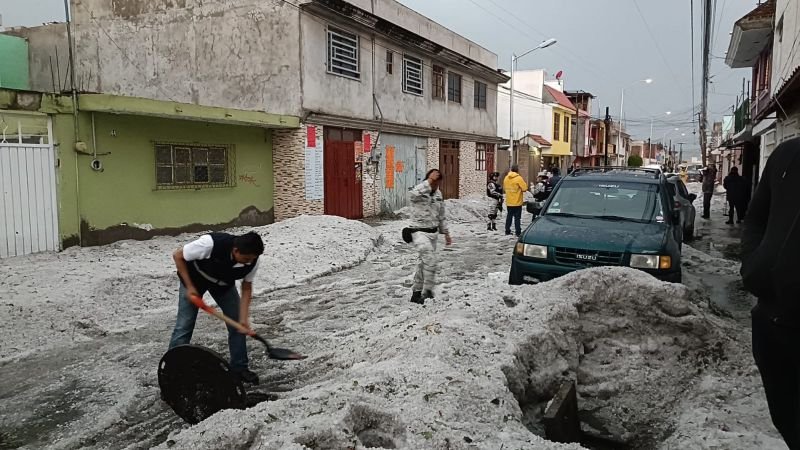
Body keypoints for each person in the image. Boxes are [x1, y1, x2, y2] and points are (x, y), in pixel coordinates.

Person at [741, 137, 800, 449]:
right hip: (773, 322)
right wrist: (755, 264)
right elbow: (755, 218)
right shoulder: (787, 155)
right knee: (785, 417)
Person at [169, 231, 265, 384]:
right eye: (246, 259)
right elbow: (177, 255)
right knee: (184, 325)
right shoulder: (209, 244)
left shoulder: (253, 260)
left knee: (237, 325)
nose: (248, 263)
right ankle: (173, 370)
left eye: (251, 259)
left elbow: (246, 287)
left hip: (223, 285)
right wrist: (190, 287)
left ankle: (240, 368)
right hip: (194, 281)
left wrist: (244, 317)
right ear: (235, 251)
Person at [408, 169, 452, 305]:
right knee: (430, 261)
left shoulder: (438, 195)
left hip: (433, 233)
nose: (435, 185)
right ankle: (427, 292)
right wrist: (429, 182)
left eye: (437, 182)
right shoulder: (419, 191)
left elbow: (441, 215)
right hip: (418, 231)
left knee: (423, 264)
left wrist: (446, 232)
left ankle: (416, 293)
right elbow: (412, 195)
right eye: (433, 181)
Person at [503, 165, 529, 236]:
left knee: (509, 217)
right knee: (517, 218)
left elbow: (504, 188)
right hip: (517, 202)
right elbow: (524, 188)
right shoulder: (518, 178)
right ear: (517, 170)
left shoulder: (506, 178)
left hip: (509, 201)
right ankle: (518, 232)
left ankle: (507, 230)